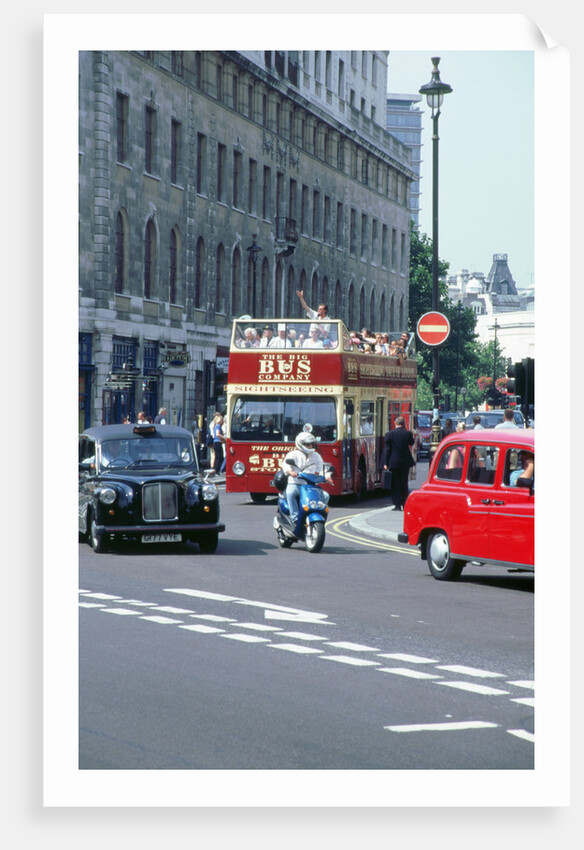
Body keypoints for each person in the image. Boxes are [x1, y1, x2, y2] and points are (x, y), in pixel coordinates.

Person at [281, 430, 333, 526]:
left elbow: (322, 468)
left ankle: (319, 515)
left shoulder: (316, 456)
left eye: (312, 444)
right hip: (295, 483)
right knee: (290, 493)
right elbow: (285, 465)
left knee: (325, 496)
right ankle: (295, 518)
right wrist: (290, 471)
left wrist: (327, 476)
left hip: (310, 485)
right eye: (308, 444)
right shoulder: (293, 454)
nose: (311, 446)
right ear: (301, 444)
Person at [379, 416, 415, 511]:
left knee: (395, 484)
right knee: (404, 483)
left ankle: (397, 505)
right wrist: (407, 431)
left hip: (393, 462)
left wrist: (385, 463)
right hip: (405, 462)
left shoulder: (389, 434)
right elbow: (412, 443)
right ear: (404, 424)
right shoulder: (408, 433)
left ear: (395, 423)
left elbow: (387, 449)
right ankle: (404, 503)